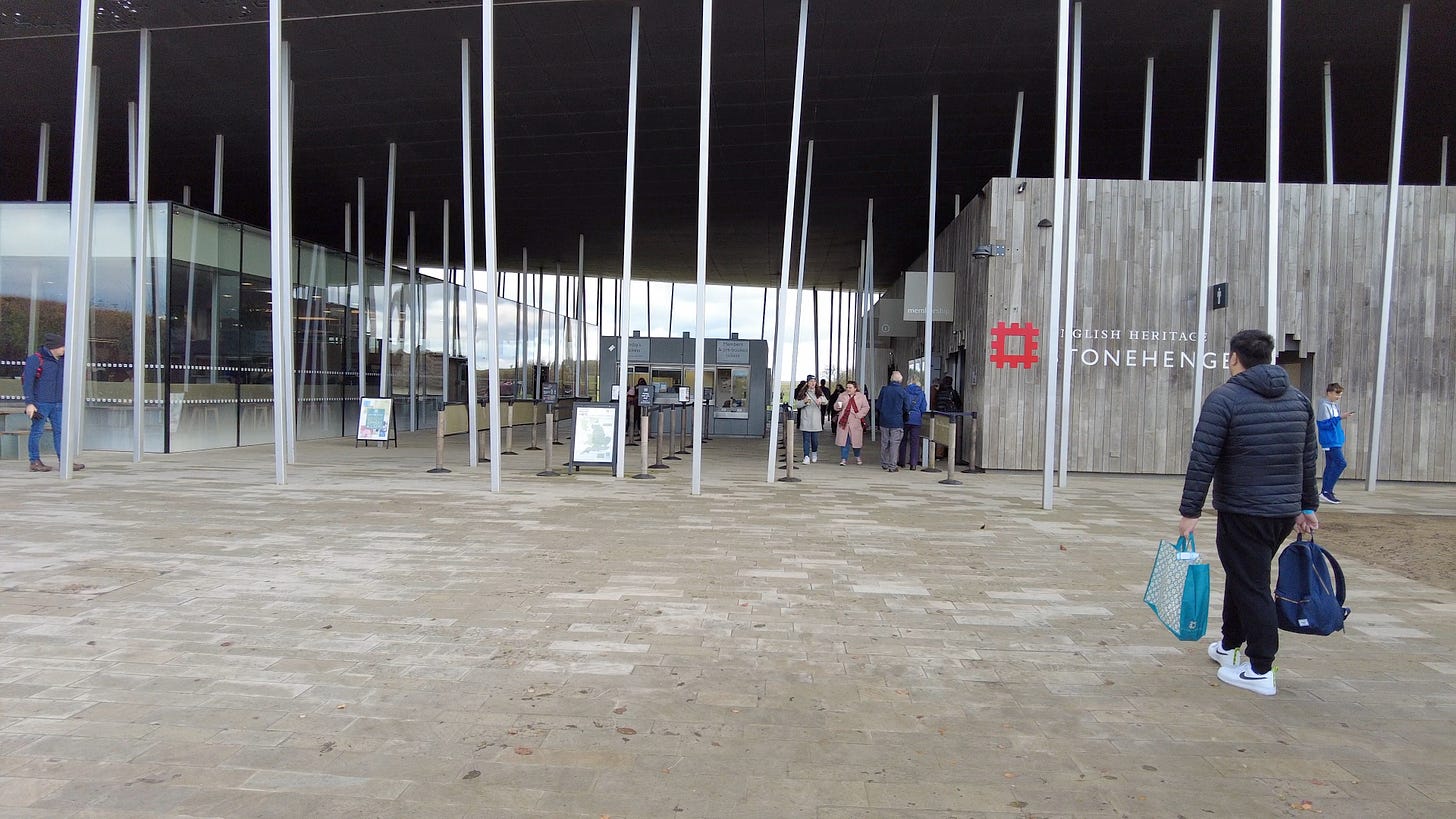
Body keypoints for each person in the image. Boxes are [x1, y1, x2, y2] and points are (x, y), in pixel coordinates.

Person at [1178, 329, 1319, 697]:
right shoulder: (1298, 400)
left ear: (1234, 358)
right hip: (1282, 512)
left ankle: (1260, 667)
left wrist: (1190, 510)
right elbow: (1307, 458)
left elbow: (1203, 456)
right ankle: (1229, 645)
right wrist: (1307, 506)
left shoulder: (1225, 398)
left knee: (1251, 583)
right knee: (1245, 576)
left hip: (1243, 509)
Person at [21, 333, 84, 473]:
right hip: (41, 402)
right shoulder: (35, 360)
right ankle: (34, 461)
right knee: (37, 431)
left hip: (58, 402)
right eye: (62, 346)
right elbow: (28, 382)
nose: (64, 349)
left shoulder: (64, 360)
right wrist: (29, 403)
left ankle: (65, 460)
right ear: (53, 347)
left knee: (61, 432)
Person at [1317, 383, 1352, 505]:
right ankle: (1326, 491)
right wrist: (1340, 418)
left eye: (1340, 394)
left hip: (1335, 439)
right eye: (1337, 394)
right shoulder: (1324, 406)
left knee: (1331, 465)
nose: (1338, 397)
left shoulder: (1333, 405)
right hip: (1330, 440)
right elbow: (1322, 424)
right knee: (1340, 463)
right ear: (1329, 393)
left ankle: (1326, 491)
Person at [875, 370, 909, 472]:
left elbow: (878, 405)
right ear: (900, 380)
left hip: (884, 420)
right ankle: (892, 465)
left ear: (891, 379)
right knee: (895, 443)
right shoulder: (903, 391)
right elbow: (906, 407)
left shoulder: (884, 390)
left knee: (884, 442)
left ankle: (884, 463)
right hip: (897, 421)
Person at [792, 375, 828, 464]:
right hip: (806, 419)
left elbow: (826, 401)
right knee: (806, 439)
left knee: (815, 440)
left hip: (815, 419)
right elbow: (797, 405)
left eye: (814, 381)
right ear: (807, 383)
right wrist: (804, 402)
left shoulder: (819, 392)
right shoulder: (803, 393)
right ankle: (806, 456)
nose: (812, 383)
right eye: (811, 381)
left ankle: (814, 452)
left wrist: (821, 400)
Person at [833, 380, 869, 465]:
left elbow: (866, 407)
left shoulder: (861, 397)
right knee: (844, 441)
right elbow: (835, 407)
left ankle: (857, 456)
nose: (848, 389)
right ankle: (843, 459)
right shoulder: (842, 395)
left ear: (855, 388)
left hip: (855, 422)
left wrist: (859, 415)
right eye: (847, 387)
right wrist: (838, 406)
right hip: (844, 422)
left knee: (856, 442)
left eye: (850, 387)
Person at [900, 378, 928, 468]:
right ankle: (913, 464)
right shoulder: (921, 393)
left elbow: (902, 405)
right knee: (915, 442)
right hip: (916, 420)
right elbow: (923, 408)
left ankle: (902, 462)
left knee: (903, 440)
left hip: (905, 418)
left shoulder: (904, 391)